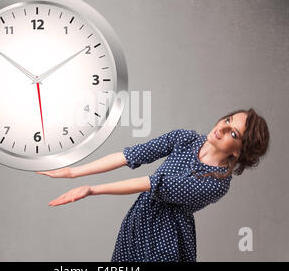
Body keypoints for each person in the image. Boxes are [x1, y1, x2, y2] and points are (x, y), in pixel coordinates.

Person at [36, 108, 269, 262]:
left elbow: (151, 183)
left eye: (233, 133)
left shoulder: (216, 182)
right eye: (227, 120)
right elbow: (131, 156)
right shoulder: (186, 138)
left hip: (167, 236)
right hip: (138, 222)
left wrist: (91, 189)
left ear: (239, 151)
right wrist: (73, 172)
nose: (222, 128)